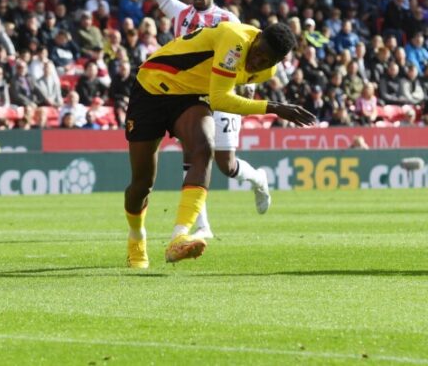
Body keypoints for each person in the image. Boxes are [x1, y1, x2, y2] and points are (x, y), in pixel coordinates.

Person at [122, 19, 316, 268]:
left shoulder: (267, 71)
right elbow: (220, 98)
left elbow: (220, 93)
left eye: (266, 61)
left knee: (204, 149)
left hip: (190, 97)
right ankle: (136, 237)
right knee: (142, 184)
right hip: (152, 87)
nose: (257, 61)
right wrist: (274, 108)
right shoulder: (235, 41)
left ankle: (178, 237)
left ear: (276, 63)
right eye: (258, 53)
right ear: (255, 39)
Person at [138, 0, 271, 241]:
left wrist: (247, 84)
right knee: (195, 153)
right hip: (190, 94)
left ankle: (258, 180)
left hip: (222, 92)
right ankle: (202, 226)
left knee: (226, 164)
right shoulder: (179, 13)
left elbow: (249, 54)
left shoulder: (228, 20)